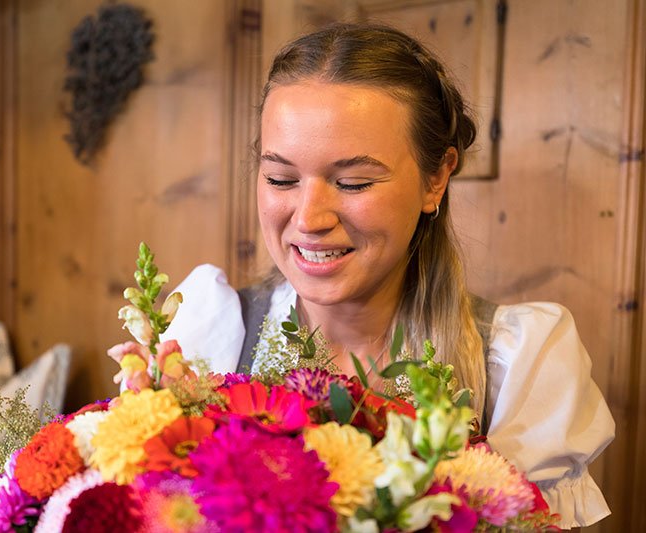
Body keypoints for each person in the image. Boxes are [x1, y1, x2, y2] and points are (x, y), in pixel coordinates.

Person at [164, 23, 614, 528]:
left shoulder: (521, 363)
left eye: (353, 182)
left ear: (436, 178)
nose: (309, 218)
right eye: (280, 179)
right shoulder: (207, 337)